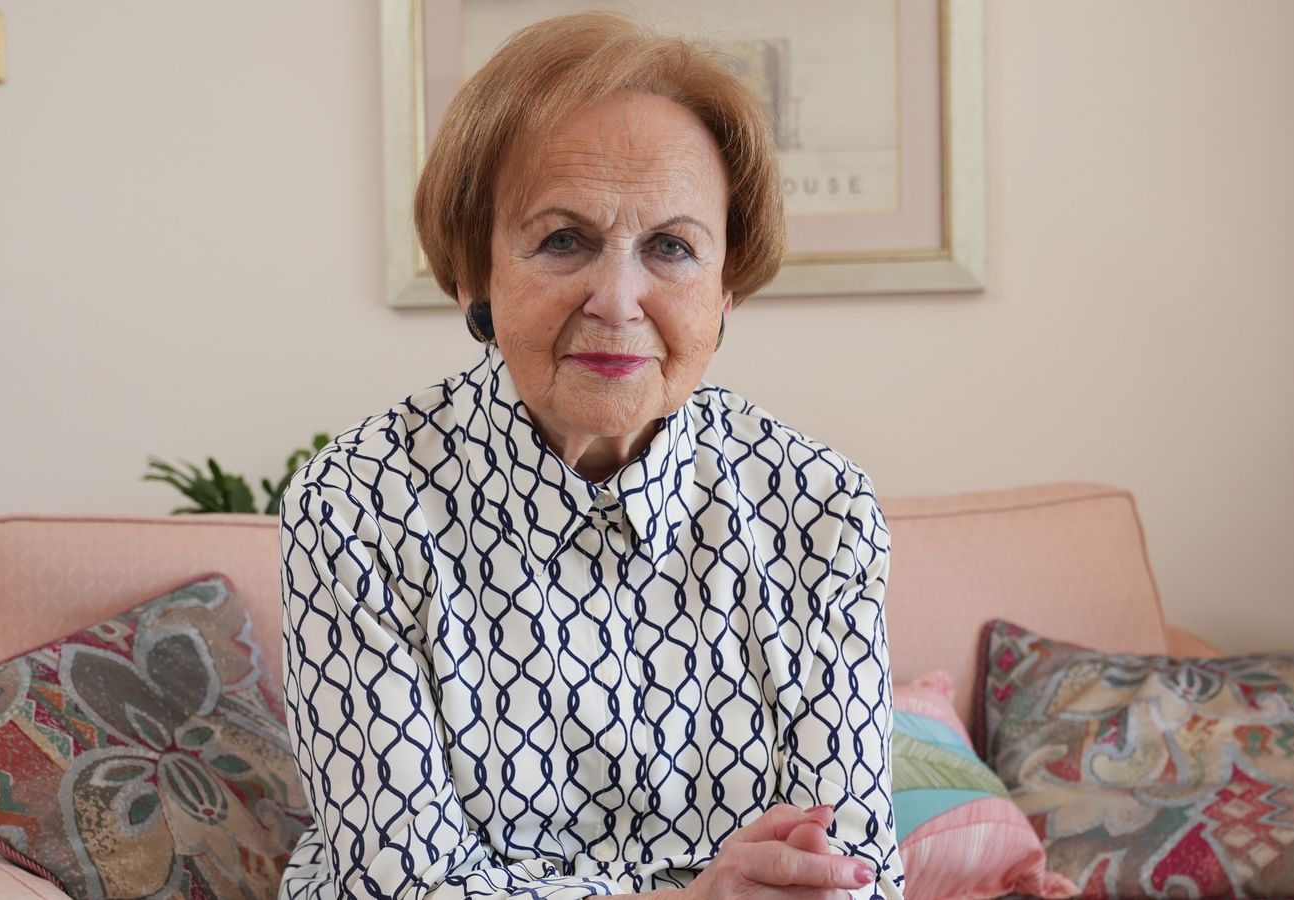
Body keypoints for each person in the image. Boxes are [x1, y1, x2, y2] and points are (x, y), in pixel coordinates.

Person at [279, 12, 903, 899]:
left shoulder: (820, 509)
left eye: (672, 247)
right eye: (563, 239)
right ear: (475, 273)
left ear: (726, 290)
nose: (618, 300)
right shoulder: (356, 505)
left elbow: (853, 869)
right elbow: (400, 886)